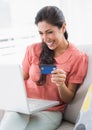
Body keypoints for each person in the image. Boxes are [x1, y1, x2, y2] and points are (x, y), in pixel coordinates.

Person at [0, 6, 88, 130]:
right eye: (41, 33)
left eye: (49, 32)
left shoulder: (78, 57)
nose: (45, 39)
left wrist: (61, 84)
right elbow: (19, 80)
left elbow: (68, 98)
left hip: (50, 112)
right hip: (26, 106)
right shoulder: (32, 49)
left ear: (63, 27)